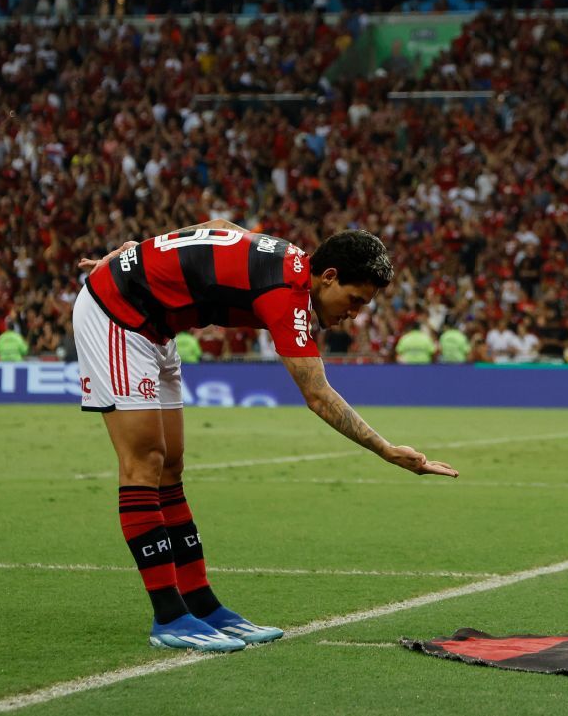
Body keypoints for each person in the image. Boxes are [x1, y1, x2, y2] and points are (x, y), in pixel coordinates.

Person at [74, 220, 458, 653]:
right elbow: (317, 395)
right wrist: (386, 450)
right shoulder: (286, 293)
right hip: (117, 313)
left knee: (171, 465)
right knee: (144, 462)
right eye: (354, 299)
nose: (355, 312)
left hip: (154, 323)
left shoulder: (287, 257)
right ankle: (169, 615)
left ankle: (201, 604)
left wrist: (142, 253)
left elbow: (219, 227)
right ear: (328, 276)